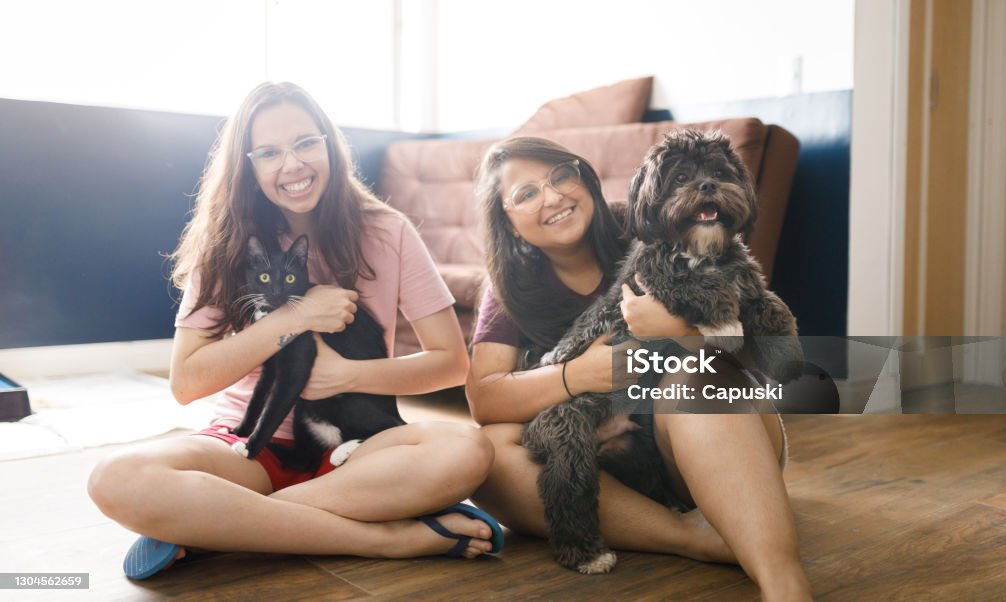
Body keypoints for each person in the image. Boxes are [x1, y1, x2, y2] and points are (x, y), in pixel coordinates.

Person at [88, 82, 501, 580]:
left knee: (468, 449)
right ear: (249, 166)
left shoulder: (387, 231)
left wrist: (346, 376)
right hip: (248, 448)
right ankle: (381, 538)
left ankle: (223, 526)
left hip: (357, 447)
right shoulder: (225, 242)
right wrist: (296, 316)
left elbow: (450, 363)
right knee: (116, 478)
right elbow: (187, 383)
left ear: (329, 143)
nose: (293, 165)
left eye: (306, 143)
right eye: (269, 152)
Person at [467, 136, 812, 601]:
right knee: (488, 451)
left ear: (583, 177)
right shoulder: (508, 284)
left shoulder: (658, 213)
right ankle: (693, 537)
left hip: (716, 442)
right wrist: (579, 375)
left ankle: (783, 582)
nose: (552, 198)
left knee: (698, 377)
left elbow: (767, 362)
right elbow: (484, 399)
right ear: (507, 221)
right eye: (525, 194)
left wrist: (678, 328)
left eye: (560, 176)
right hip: (618, 462)